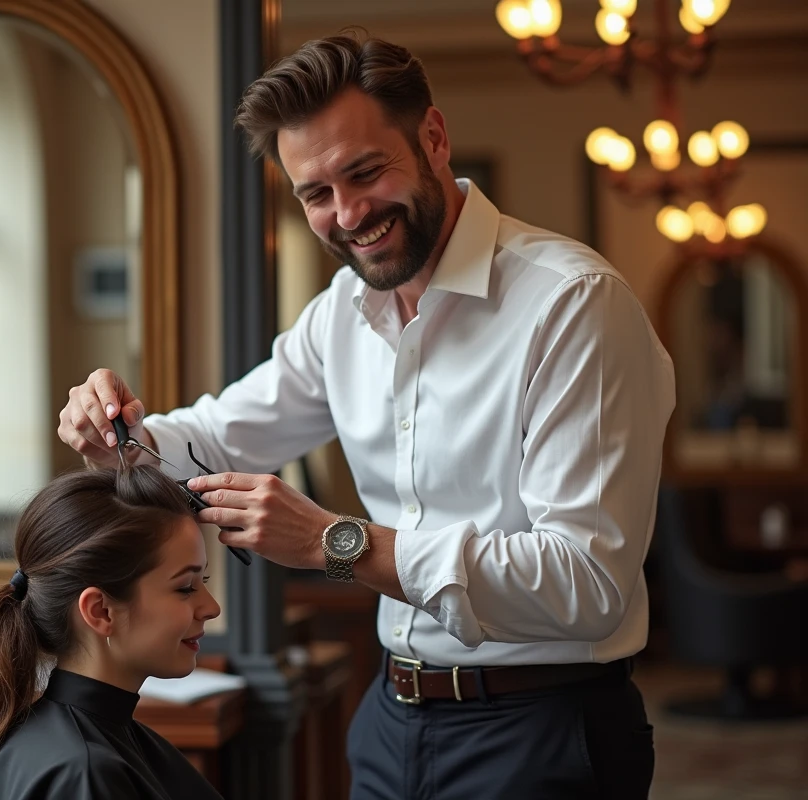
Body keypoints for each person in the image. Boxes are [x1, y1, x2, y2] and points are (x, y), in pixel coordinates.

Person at [58, 33, 675, 799]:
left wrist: (335, 544)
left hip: (543, 731)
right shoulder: (342, 312)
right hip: (389, 719)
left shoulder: (573, 304)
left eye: (365, 172)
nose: (348, 214)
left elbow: (587, 583)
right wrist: (119, 435)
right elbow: (215, 438)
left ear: (434, 138)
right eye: (315, 193)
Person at [0, 466, 223, 800]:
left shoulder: (96, 748)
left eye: (204, 581)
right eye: (185, 587)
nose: (211, 607)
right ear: (100, 611)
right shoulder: (86, 773)